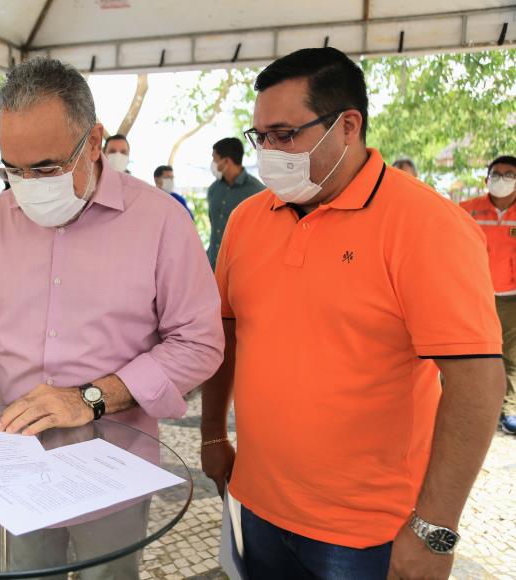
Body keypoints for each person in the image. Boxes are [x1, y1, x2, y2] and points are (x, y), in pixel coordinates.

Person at [202, 47, 505, 580]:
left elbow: (476, 382)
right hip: (258, 503)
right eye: (260, 137)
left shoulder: (426, 224)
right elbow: (226, 335)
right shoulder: (249, 219)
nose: (269, 152)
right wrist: (210, 435)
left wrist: (434, 529)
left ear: (347, 126)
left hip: (369, 532)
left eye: (285, 134)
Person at [0, 57, 224, 579]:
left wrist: (90, 398)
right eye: (12, 170)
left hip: (117, 465)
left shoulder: (161, 222)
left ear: (94, 141)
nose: (27, 185)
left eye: (45, 169)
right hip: (13, 461)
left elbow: (199, 343)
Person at [460, 155, 516, 435]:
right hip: (474, 294)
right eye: (496, 174)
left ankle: (509, 411)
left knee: (511, 355)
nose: (501, 179)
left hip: (511, 298)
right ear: (486, 179)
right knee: (464, 351)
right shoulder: (467, 210)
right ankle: (454, 405)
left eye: (509, 175)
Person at [206, 137, 265, 269]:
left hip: (242, 267)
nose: (212, 164)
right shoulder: (213, 189)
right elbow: (214, 228)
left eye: (214, 159)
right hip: (213, 265)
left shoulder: (257, 191)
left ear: (226, 161)